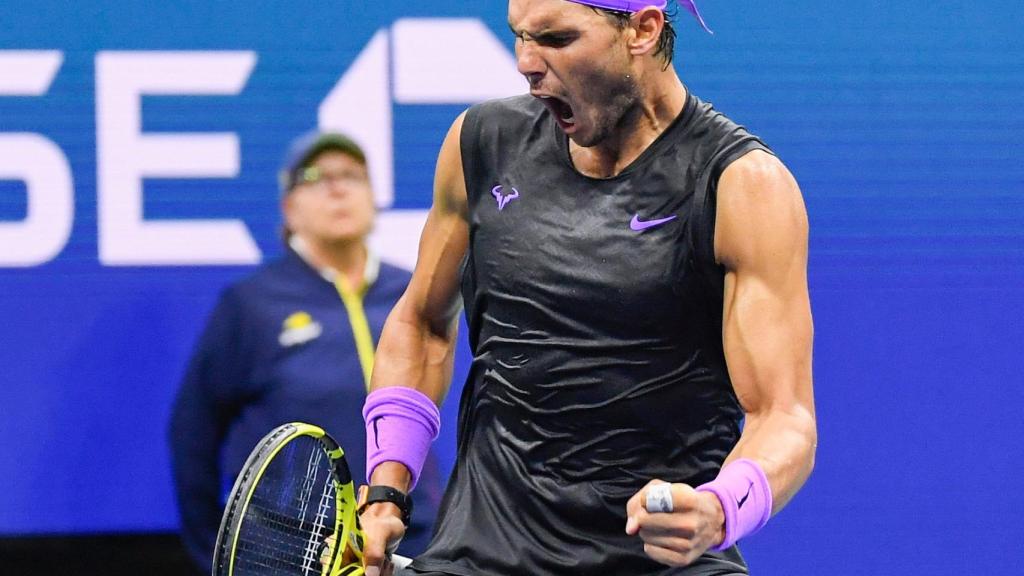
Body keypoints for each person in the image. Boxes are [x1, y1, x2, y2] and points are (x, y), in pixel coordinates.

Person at [357, 1, 817, 575]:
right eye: (519, 35)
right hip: (481, 556)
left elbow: (785, 416)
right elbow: (422, 327)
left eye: (555, 37)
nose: (526, 62)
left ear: (643, 30)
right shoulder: (481, 143)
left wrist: (722, 508)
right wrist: (386, 490)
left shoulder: (743, 186)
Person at [168, 131, 445, 574]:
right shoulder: (252, 304)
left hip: (414, 537)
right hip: (296, 554)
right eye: (316, 177)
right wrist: (213, 553)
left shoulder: (411, 293)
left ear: (373, 198)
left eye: (352, 176)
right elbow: (193, 433)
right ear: (288, 208)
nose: (338, 188)